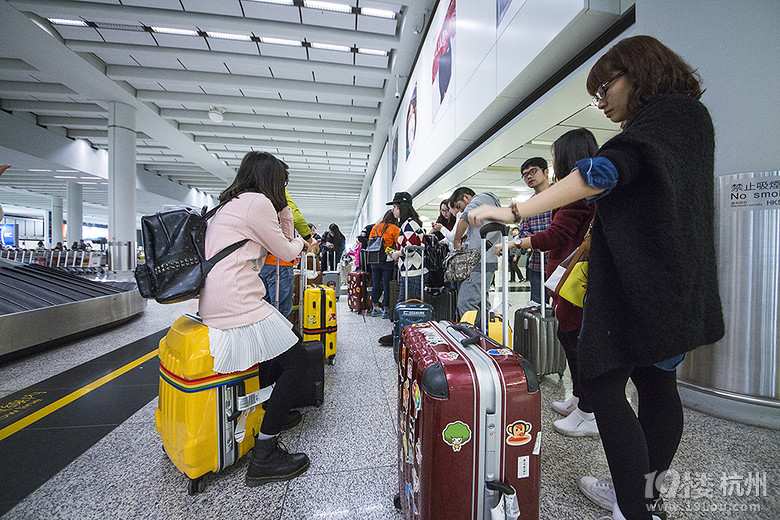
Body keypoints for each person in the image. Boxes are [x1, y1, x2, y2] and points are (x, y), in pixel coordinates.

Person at [468, 36, 724, 520]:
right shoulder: (690, 120)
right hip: (674, 281)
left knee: (604, 385)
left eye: (605, 87)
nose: (600, 100)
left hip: (645, 285)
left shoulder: (663, 120)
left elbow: (604, 171)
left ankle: (632, 505)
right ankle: (642, 494)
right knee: (657, 384)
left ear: (640, 73)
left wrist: (511, 210)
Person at [198, 151, 311, 487]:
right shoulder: (259, 203)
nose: (284, 189)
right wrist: (295, 225)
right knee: (298, 362)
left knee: (275, 353)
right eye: (283, 183)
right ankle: (264, 453)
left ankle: (273, 411)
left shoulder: (231, 204)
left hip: (219, 298)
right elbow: (288, 251)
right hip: (237, 299)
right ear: (273, 181)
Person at [506, 129, 598, 436]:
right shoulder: (581, 190)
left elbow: (557, 235)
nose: (554, 162)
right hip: (567, 273)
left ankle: (588, 410)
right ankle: (580, 397)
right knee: (568, 336)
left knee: (574, 337)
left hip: (572, 275)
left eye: (555, 156)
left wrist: (518, 244)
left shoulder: (576, 193)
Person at [378, 192, 426, 346]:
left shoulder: (409, 224)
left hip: (413, 272)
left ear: (402, 207)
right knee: (404, 305)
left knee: (408, 306)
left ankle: (404, 337)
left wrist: (397, 253)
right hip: (410, 271)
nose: (393, 210)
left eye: (395, 207)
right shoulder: (408, 224)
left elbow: (412, 248)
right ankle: (400, 335)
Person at [259, 186, 311, 319]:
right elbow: (296, 218)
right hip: (279, 261)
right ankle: (279, 339)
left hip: (259, 261)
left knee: (263, 305)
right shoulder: (278, 191)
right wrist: (306, 238)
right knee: (282, 308)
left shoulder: (253, 193)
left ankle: (266, 338)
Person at [449, 187, 501, 318]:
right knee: (482, 304)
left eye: (459, 206)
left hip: (479, 263)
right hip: (485, 260)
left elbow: (464, 218)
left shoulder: (480, 198)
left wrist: (456, 241)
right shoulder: (488, 202)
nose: (460, 211)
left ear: (466, 197)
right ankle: (485, 334)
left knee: (466, 304)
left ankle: (472, 336)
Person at [516, 157, 552, 304]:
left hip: (563, 264)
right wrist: (540, 243)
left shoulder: (563, 195)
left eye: (533, 171)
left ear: (546, 172)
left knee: (564, 310)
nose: (529, 176)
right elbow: (523, 231)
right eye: (525, 175)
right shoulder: (528, 205)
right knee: (537, 307)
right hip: (538, 265)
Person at [369, 210, 400, 318]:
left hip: (375, 259)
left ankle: (375, 308)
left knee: (376, 284)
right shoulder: (394, 228)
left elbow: (370, 241)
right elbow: (399, 243)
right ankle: (386, 310)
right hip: (387, 259)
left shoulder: (376, 227)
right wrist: (389, 251)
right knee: (387, 285)